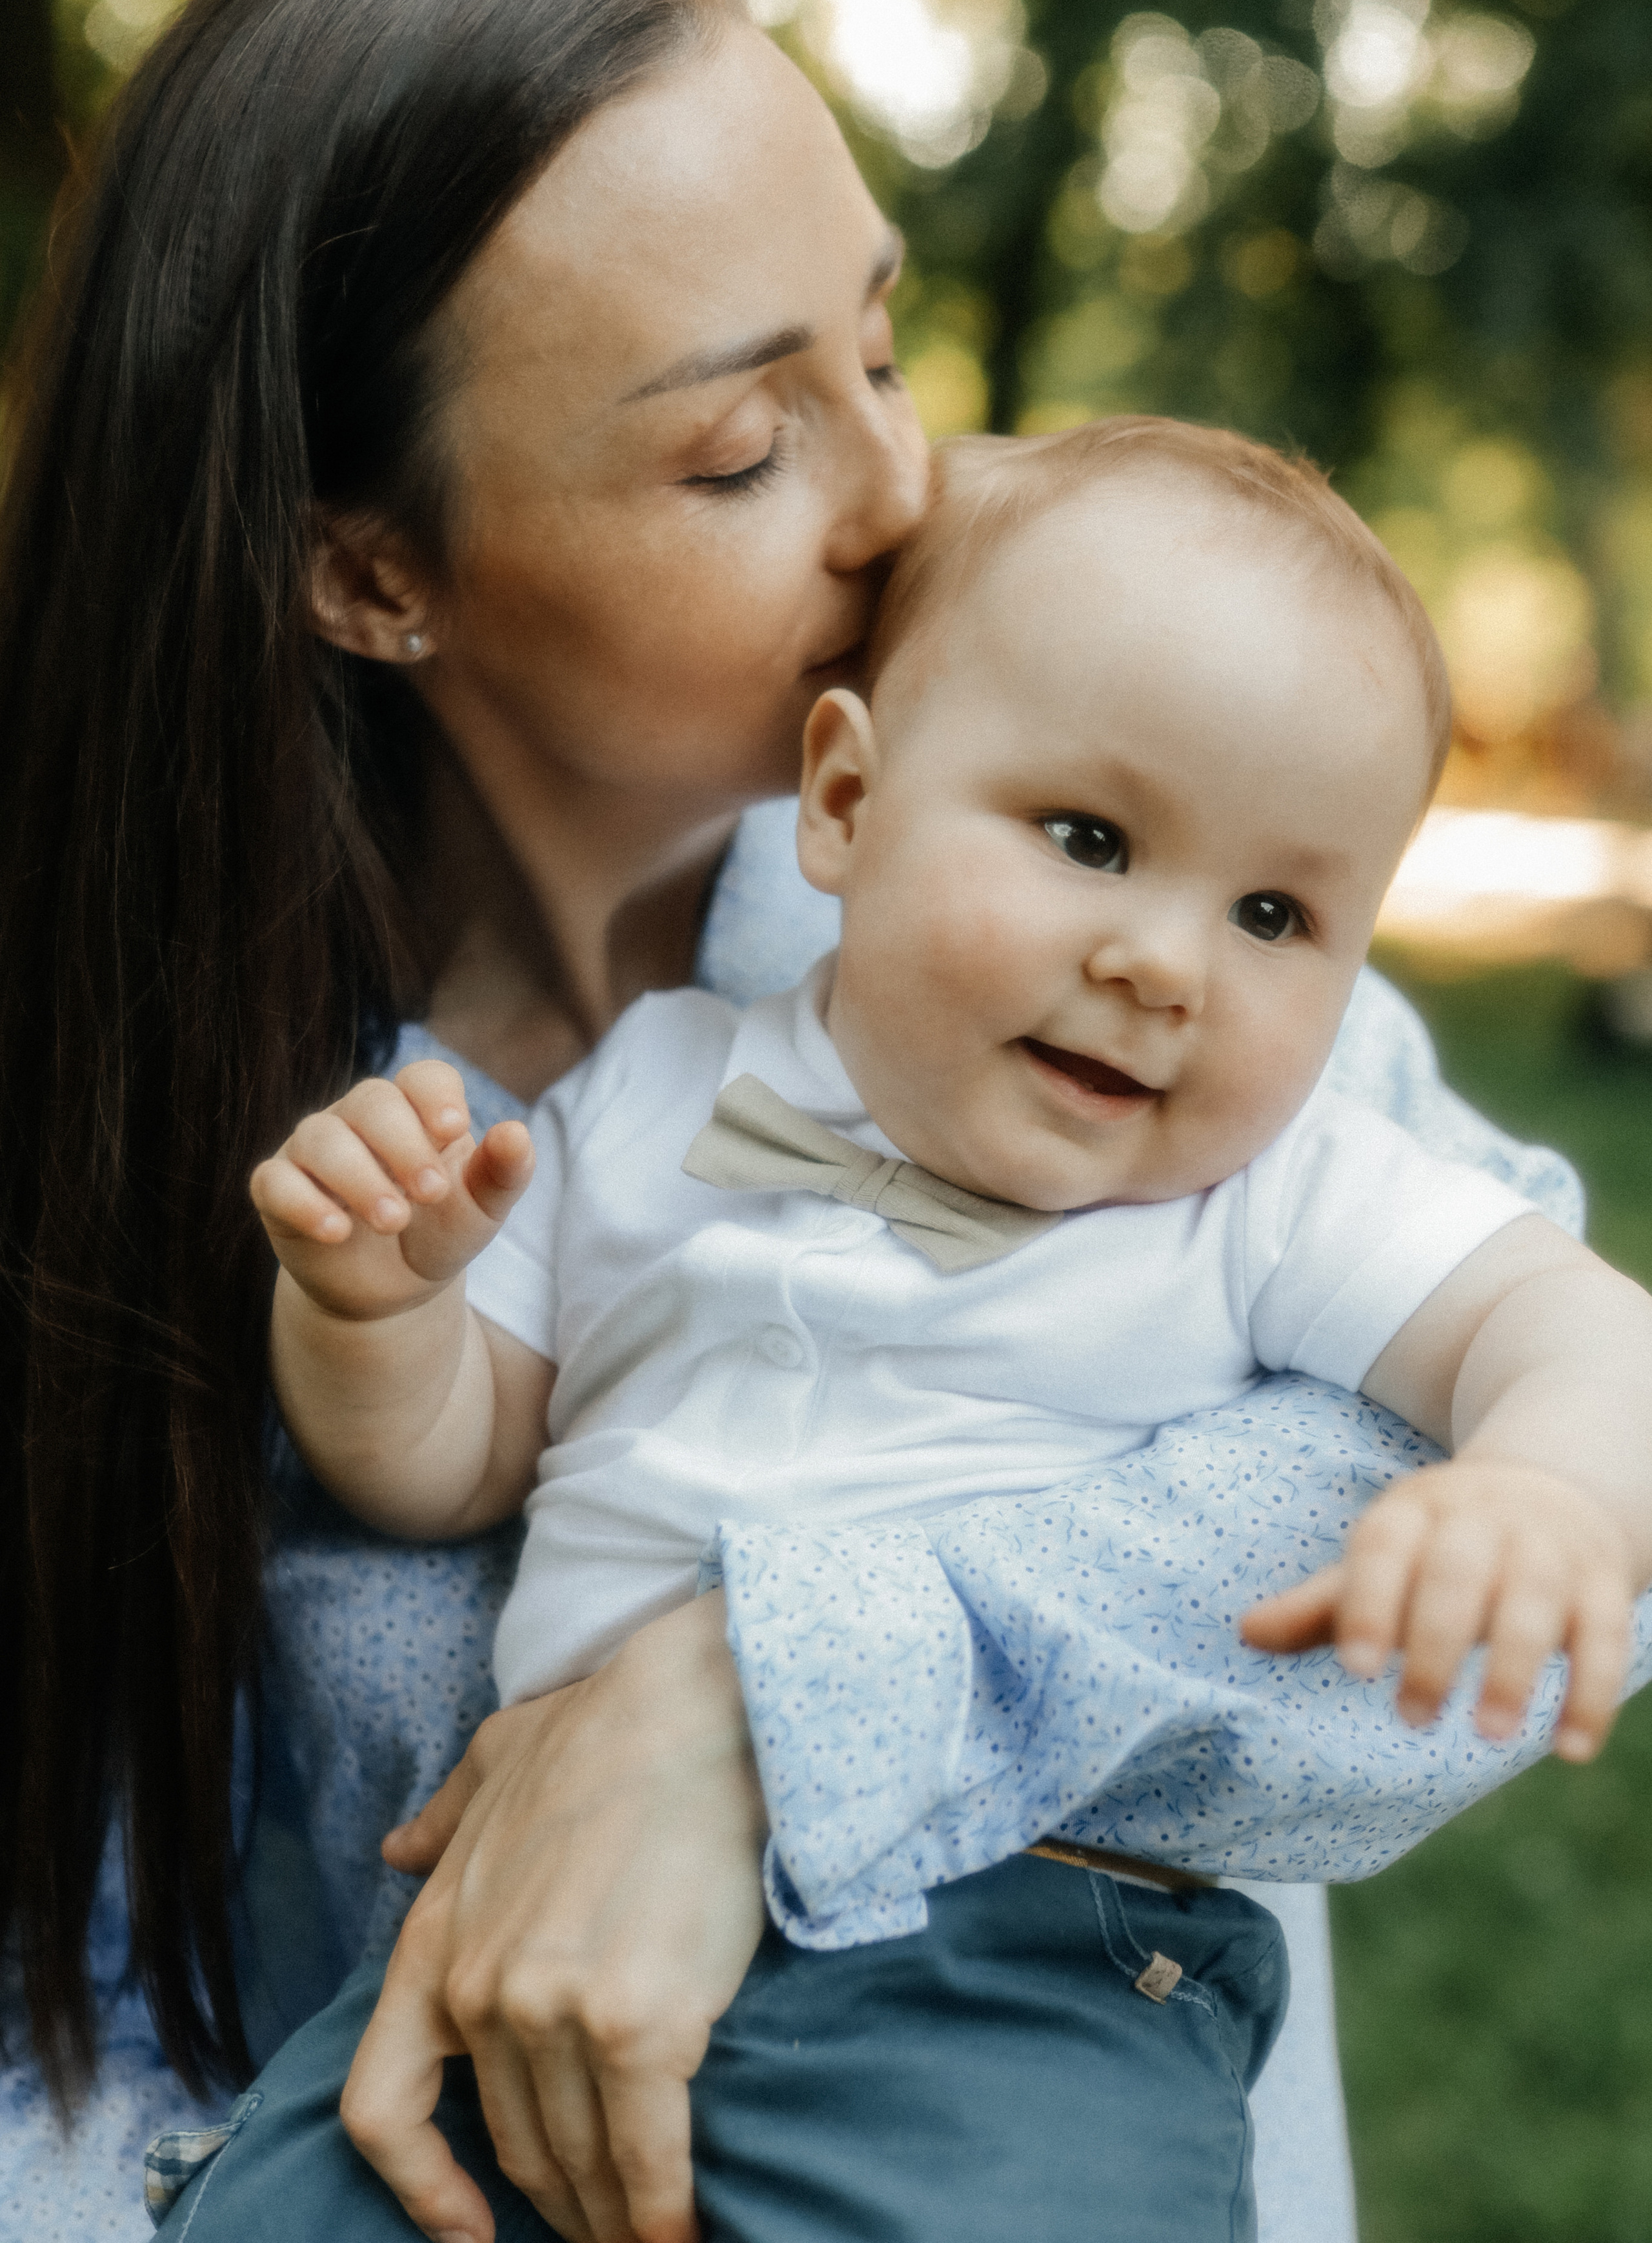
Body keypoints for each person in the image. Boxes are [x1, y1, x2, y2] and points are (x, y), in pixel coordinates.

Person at [0, 0, 1568, 2243]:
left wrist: (758, 1698)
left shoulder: (1129, 980)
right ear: (373, 571)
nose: (908, 486)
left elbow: (1513, 1571)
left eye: (885, 346)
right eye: (744, 451)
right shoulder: (250, 1130)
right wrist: (372, 1312)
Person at [172, 418, 1648, 2243]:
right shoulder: (653, 1093)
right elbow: (448, 1458)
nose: (1167, 962)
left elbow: (1580, 1329)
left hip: (1000, 1960)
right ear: (849, 804)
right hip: (524, 1931)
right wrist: (373, 1305)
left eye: (1275, 912)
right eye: (1091, 839)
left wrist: (1543, 1487)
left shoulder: (1273, 1192)